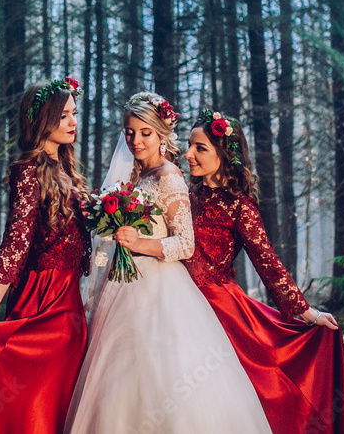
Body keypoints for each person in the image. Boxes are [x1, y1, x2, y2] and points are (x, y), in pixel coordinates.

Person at [65, 93, 273, 434]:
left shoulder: (169, 176)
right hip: (122, 288)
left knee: (160, 374)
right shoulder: (131, 178)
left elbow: (186, 244)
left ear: (162, 134)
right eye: (129, 132)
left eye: (145, 133)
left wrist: (140, 243)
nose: (135, 140)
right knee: (119, 377)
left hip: (159, 289)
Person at [184, 110, 344, 434]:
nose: (188, 154)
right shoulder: (185, 194)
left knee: (233, 389)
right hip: (174, 298)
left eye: (200, 148)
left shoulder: (240, 205)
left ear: (225, 153)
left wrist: (304, 311)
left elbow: (267, 260)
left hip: (217, 308)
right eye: (189, 145)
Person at [0, 77, 91, 434]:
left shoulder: (68, 172)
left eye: (74, 114)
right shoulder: (27, 172)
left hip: (70, 300)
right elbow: (15, 244)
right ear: (42, 121)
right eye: (63, 116)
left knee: (60, 397)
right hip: (41, 299)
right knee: (34, 397)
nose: (73, 122)